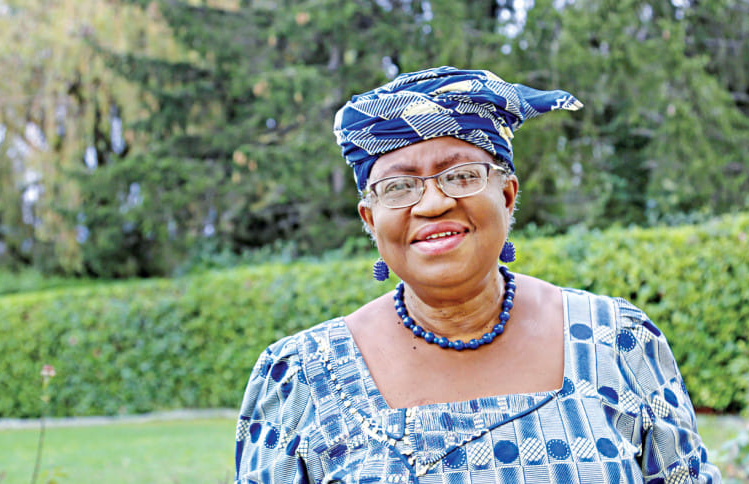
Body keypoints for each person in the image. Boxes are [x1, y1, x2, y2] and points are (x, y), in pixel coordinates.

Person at [234, 66, 720, 483]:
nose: (433, 203)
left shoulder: (616, 342)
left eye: (461, 175)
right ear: (370, 219)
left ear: (507, 196)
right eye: (399, 186)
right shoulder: (300, 378)